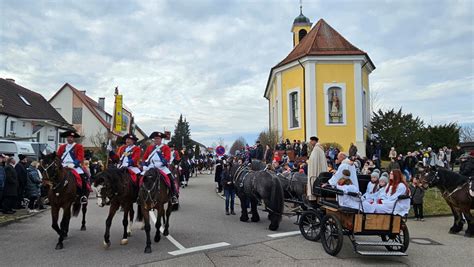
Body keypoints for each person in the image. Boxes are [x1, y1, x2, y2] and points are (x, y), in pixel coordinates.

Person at [141, 132, 179, 205]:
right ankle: (139, 194)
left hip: (162, 167)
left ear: (161, 139)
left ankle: (173, 195)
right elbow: (144, 158)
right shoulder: (150, 148)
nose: (156, 140)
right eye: (155, 139)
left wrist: (161, 163)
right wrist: (144, 165)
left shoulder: (165, 147)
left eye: (158, 138)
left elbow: (168, 157)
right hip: (151, 166)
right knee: (141, 177)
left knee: (170, 177)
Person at [57, 130, 88, 204]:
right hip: (63, 165)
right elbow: (58, 156)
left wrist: (74, 164)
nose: (69, 139)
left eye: (71, 137)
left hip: (74, 166)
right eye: (68, 137)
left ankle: (82, 195)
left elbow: (80, 157)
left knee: (83, 177)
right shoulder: (62, 147)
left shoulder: (78, 146)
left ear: (73, 138)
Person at [307, 136, 328, 201]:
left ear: (314, 141)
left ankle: (314, 196)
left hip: (316, 171)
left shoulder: (316, 149)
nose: (310, 142)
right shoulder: (319, 148)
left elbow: (314, 160)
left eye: (311, 141)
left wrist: (309, 161)